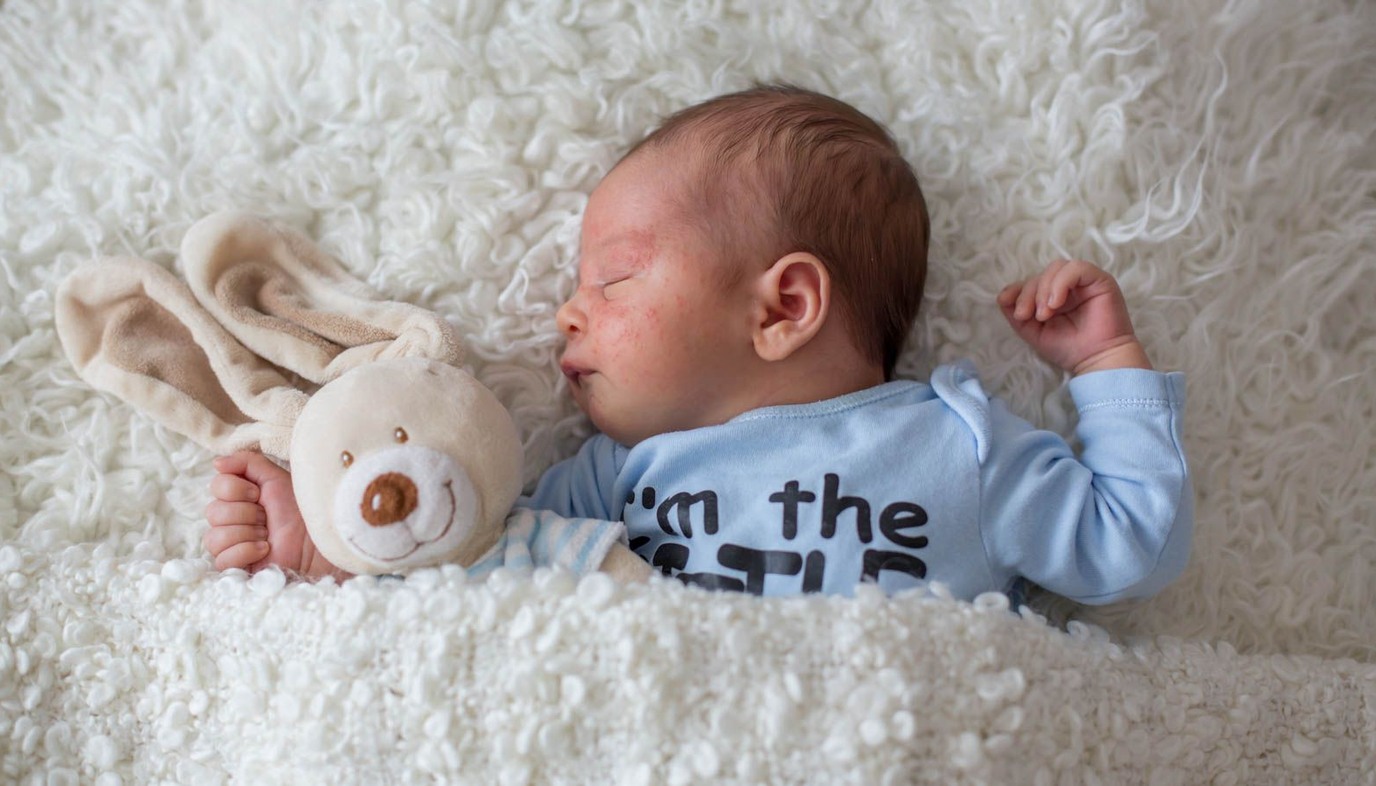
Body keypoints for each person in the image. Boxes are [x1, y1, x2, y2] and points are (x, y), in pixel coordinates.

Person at [205, 84, 1192, 601]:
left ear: (781, 308)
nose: (567, 311)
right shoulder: (608, 482)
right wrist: (324, 555)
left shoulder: (964, 446)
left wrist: (1104, 370)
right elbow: (468, 576)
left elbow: (1131, 546)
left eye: (614, 277)